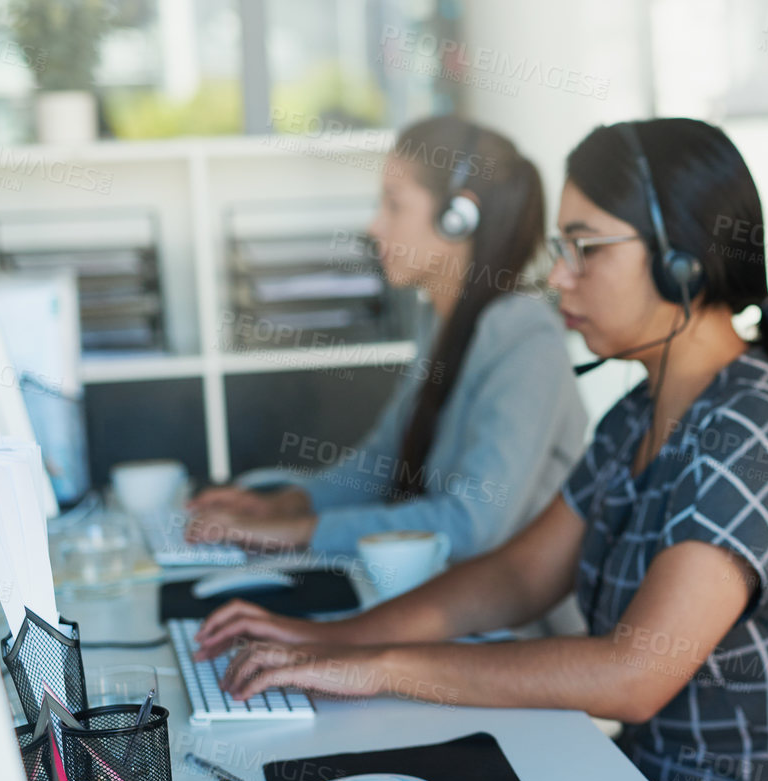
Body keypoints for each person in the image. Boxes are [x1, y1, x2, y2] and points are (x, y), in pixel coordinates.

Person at [193, 118, 768, 781]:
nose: (559, 278)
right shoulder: (642, 413)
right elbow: (515, 576)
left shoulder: (747, 430)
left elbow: (631, 676)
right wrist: (334, 641)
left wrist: (383, 664)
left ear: (679, 259)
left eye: (586, 248)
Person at [185, 117, 587, 583]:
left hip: (511, 633)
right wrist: (282, 505)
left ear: (458, 218)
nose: (375, 226)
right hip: (436, 601)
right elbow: (383, 459)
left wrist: (299, 531)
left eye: (394, 206)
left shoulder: (526, 337)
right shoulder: (441, 319)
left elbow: (471, 524)